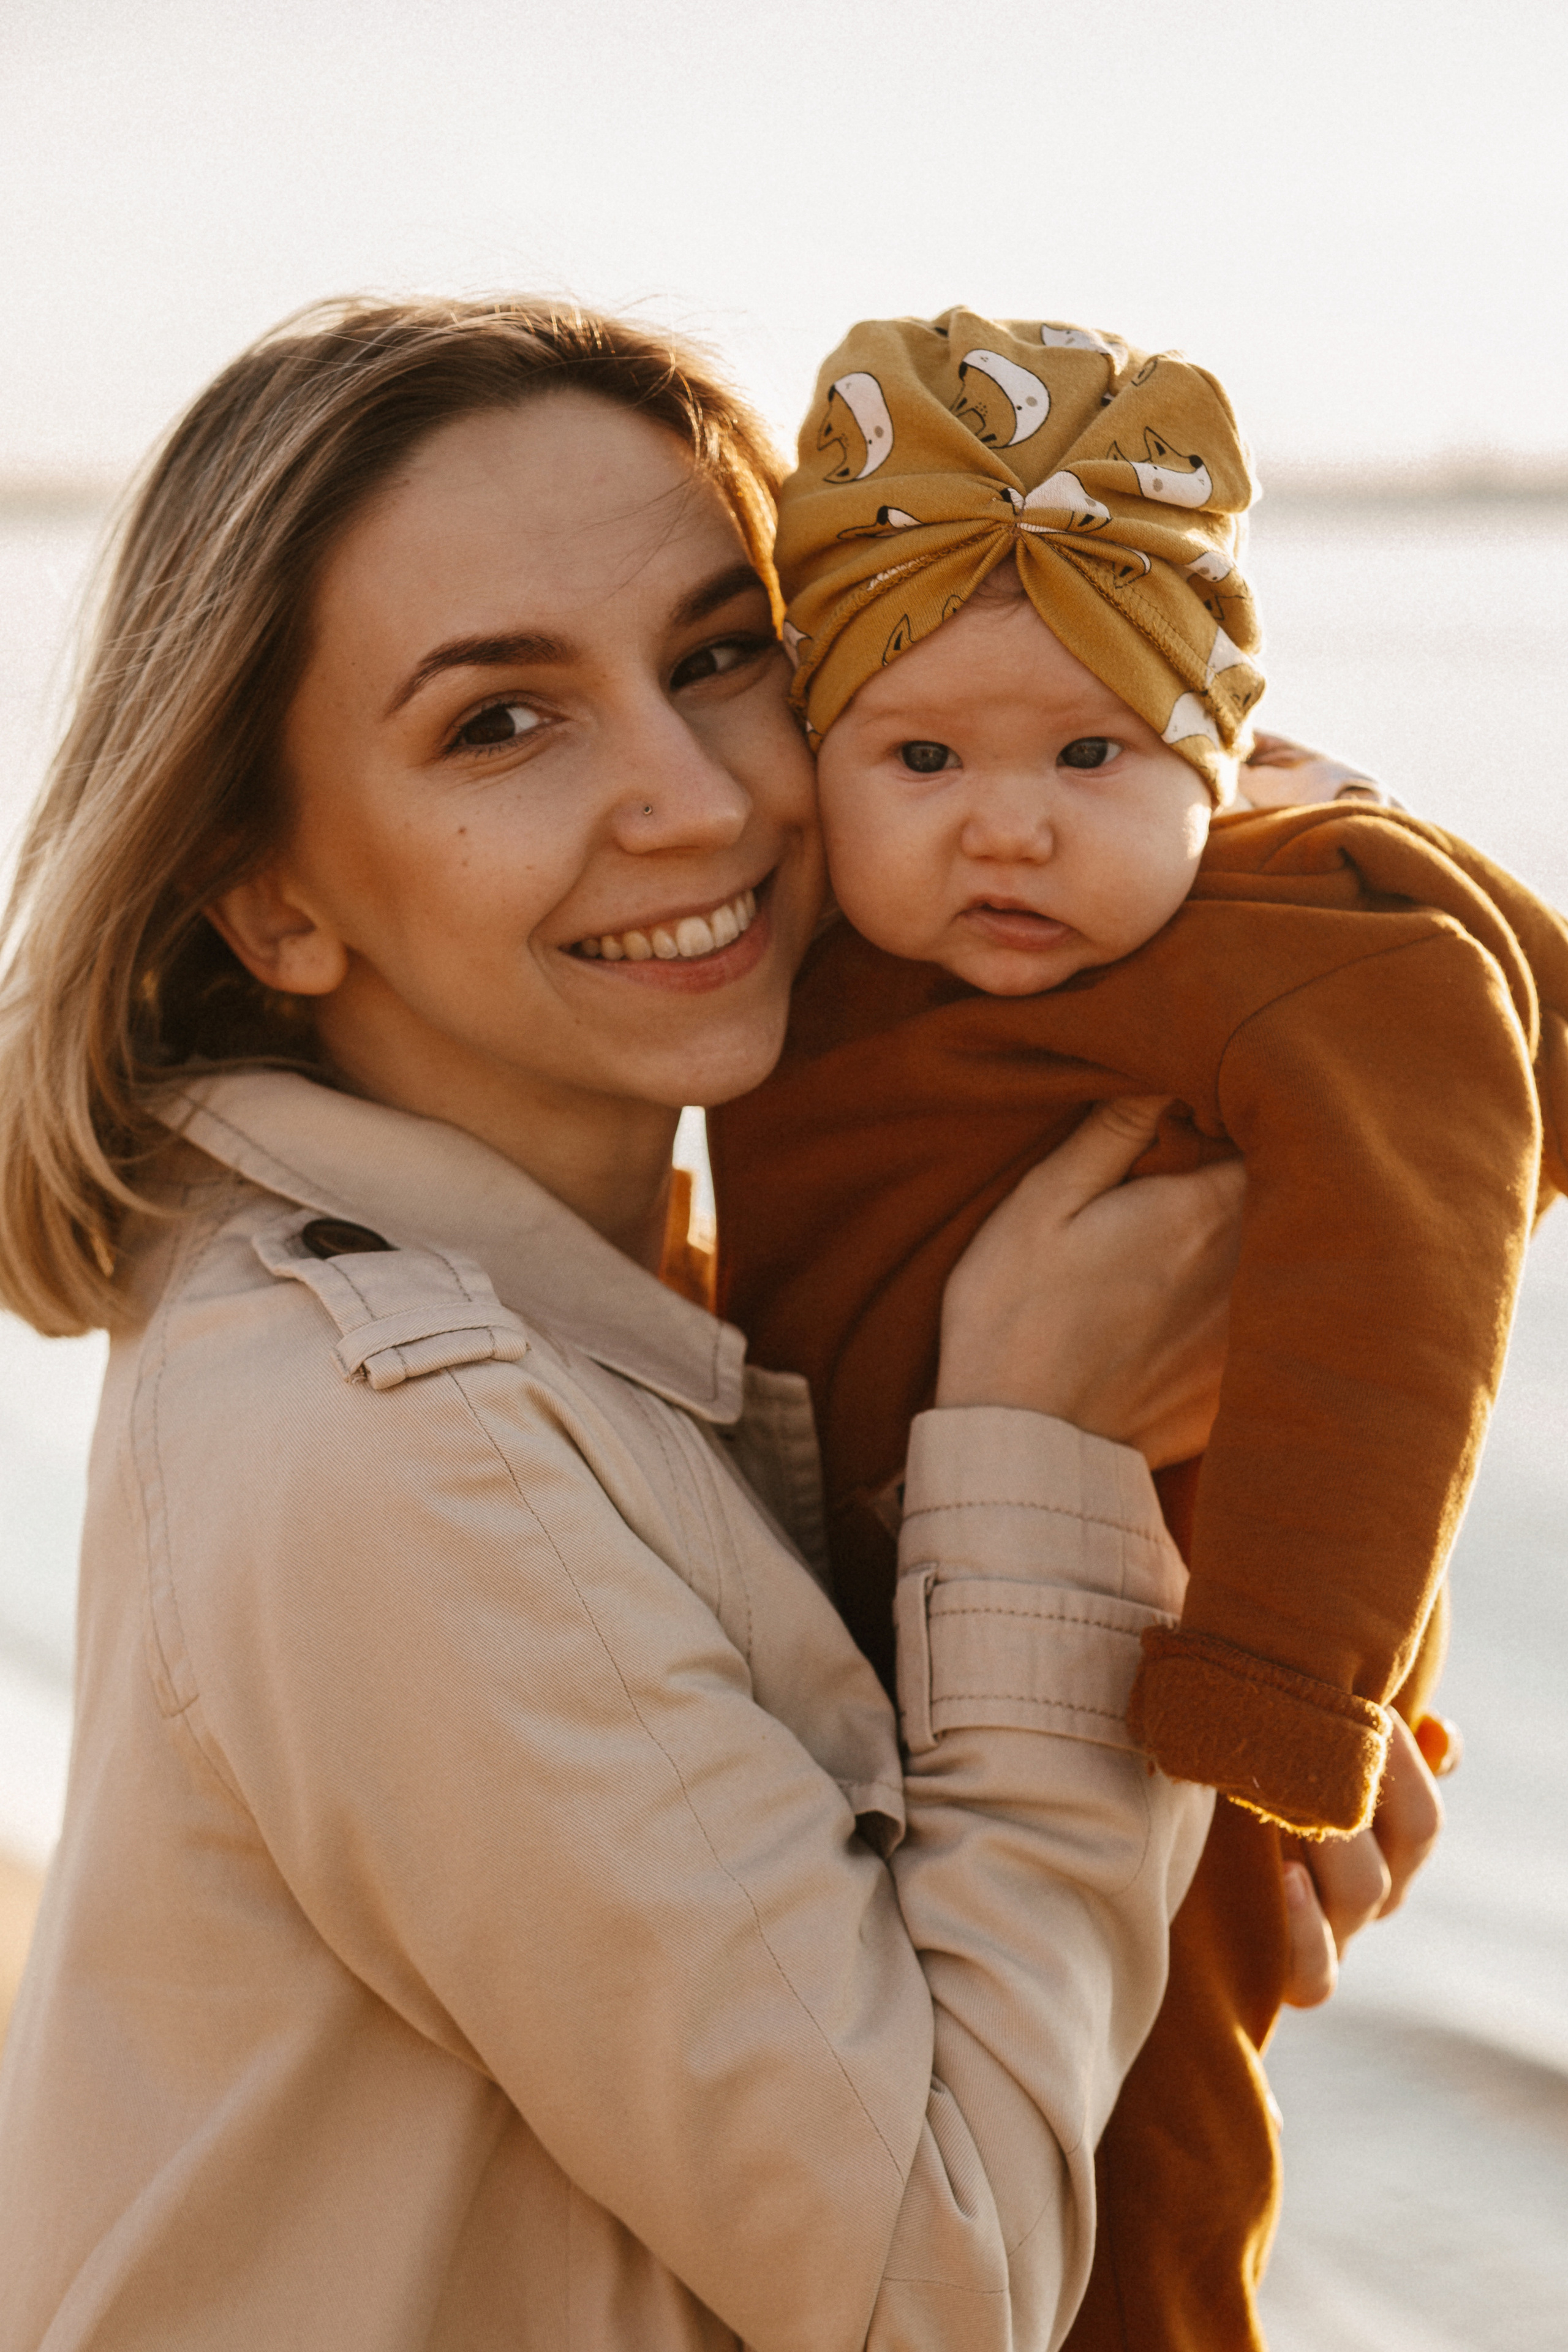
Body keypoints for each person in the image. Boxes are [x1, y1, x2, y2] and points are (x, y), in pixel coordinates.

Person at [0, 292, 1339, 2351]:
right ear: (271, 898)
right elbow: (939, 2281)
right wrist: (1046, 1462)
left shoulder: (592, 1325)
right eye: (499, 724)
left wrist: (1211, 1755)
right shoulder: (395, 1431)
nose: (697, 801)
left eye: (722, 657)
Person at [710, 308, 1567, 2351]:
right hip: (898, 1642)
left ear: (1213, 753)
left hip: (1153, 1695)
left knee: (1151, 2164)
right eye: (923, 758)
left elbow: (1402, 1297)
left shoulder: (1285, 949)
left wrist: (1283, 1690)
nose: (1008, 824)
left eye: (1092, 756)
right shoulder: (841, 941)